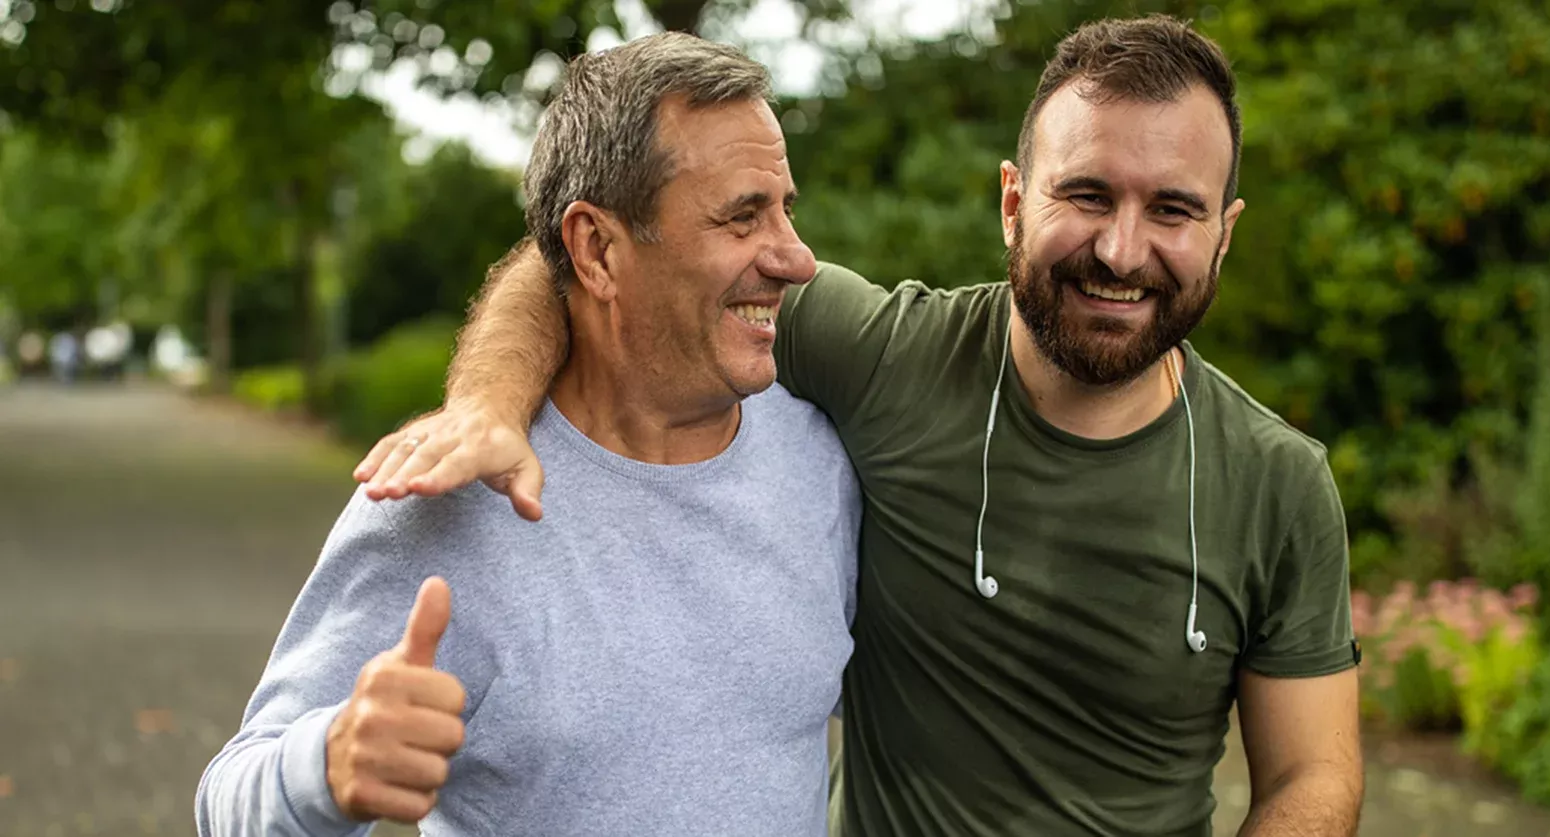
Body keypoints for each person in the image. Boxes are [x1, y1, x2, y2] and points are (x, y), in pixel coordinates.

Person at [357, 15, 1364, 837]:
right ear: (1013, 204)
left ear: (1222, 232)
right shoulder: (887, 356)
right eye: (1086, 194)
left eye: (1172, 210)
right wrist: (483, 408)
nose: (1120, 248)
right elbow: (586, 256)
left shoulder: (1277, 483)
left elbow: (1312, 779)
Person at [196, 32, 860, 837]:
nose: (796, 258)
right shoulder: (448, 498)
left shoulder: (823, 460)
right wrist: (326, 765)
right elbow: (230, 799)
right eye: (742, 217)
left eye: (786, 208)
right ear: (597, 249)